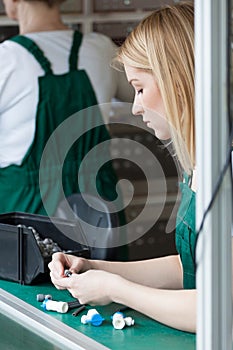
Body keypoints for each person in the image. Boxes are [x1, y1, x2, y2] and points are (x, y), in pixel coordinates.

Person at [49, 2, 197, 333]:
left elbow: (217, 307)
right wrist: (93, 268)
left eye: (140, 88)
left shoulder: (225, 170)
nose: (135, 106)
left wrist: (116, 289)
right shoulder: (197, 165)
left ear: (176, 80)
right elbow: (184, 268)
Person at [0, 0, 133, 216]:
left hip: (28, 209)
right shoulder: (101, 49)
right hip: (97, 206)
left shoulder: (5, 59)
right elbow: (147, 98)